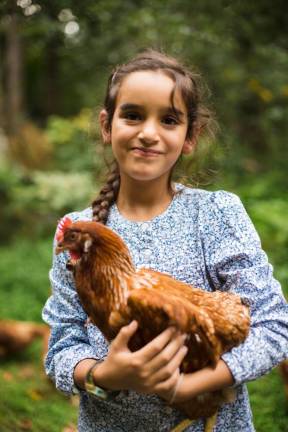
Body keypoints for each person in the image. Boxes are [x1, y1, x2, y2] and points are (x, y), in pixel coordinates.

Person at [42, 49, 288, 432]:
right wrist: (105, 375)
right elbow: (62, 346)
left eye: (169, 119)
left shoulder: (214, 214)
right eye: (133, 115)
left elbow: (273, 327)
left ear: (190, 136)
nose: (148, 132)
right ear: (107, 126)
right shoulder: (80, 233)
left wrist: (188, 385)